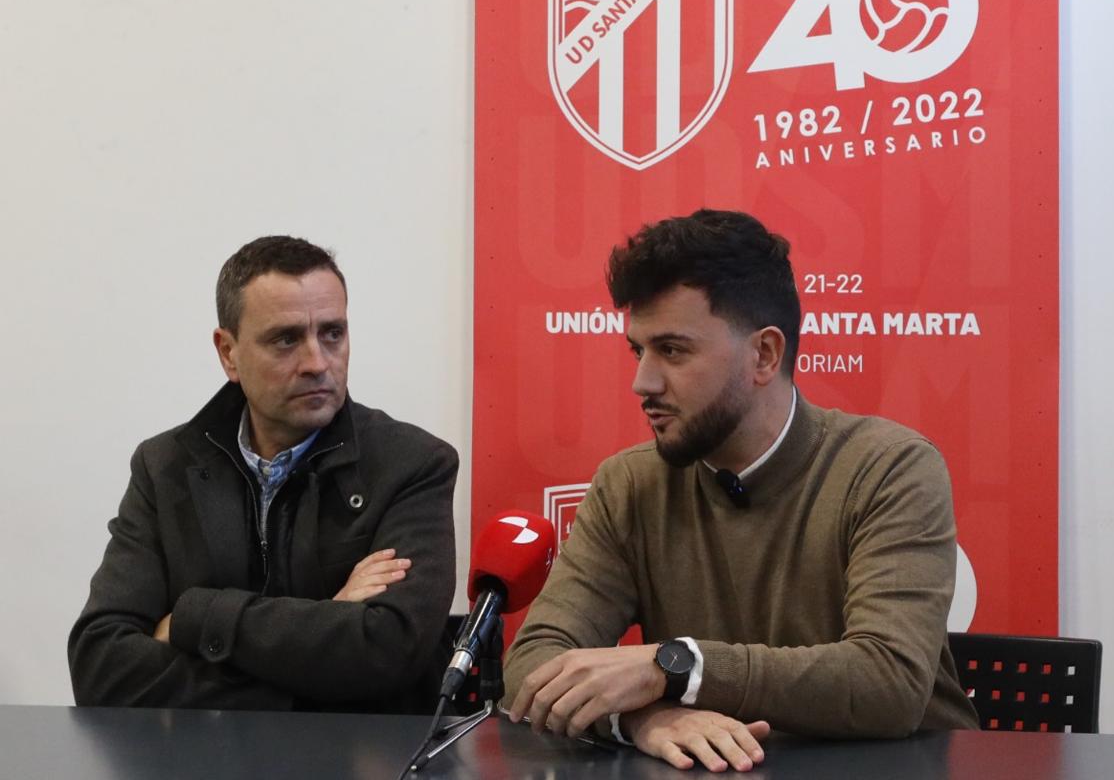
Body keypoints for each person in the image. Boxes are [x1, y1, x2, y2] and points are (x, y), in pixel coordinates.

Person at [504, 209, 978, 772]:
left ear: (764, 355)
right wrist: (642, 719)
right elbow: (534, 663)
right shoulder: (629, 483)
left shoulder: (889, 468)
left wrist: (674, 668)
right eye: (639, 351)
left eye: (673, 351)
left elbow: (889, 681)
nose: (643, 382)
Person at [68, 236, 457, 712]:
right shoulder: (164, 466)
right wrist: (328, 624)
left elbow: (388, 652)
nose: (317, 363)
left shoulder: (412, 465)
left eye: (333, 333)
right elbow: (100, 666)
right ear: (228, 353)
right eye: (286, 339)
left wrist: (195, 616)